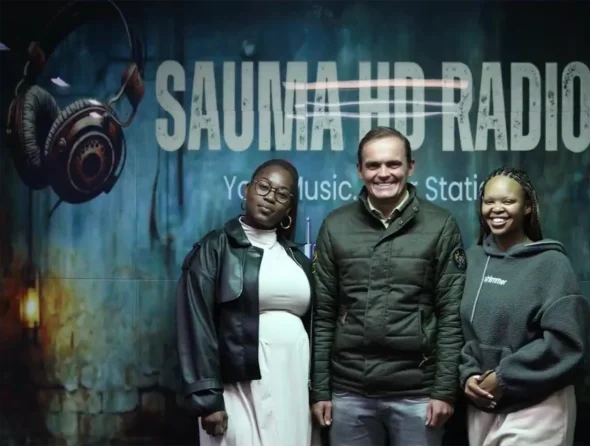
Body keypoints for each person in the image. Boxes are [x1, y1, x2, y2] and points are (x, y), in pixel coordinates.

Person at [310, 126, 466, 446]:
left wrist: (444, 390)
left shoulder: (441, 225)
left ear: (410, 167)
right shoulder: (335, 225)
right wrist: (321, 390)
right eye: (373, 165)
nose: (383, 173)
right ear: (360, 170)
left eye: (393, 164)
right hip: (349, 392)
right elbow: (323, 315)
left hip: (418, 393)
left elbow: (451, 314)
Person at [176, 159, 315, 446]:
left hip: (293, 382)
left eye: (282, 194)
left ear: (289, 207)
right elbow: (196, 324)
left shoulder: (298, 259)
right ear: (247, 190)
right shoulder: (215, 248)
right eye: (264, 187)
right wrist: (208, 398)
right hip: (236, 390)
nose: (270, 197)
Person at [459, 167, 590, 446]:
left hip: (539, 406)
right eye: (489, 201)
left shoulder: (552, 264)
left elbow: (566, 343)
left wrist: (505, 376)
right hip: (483, 403)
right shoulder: (472, 261)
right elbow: (461, 331)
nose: (497, 209)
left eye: (508, 201)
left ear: (527, 207)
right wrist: (467, 374)